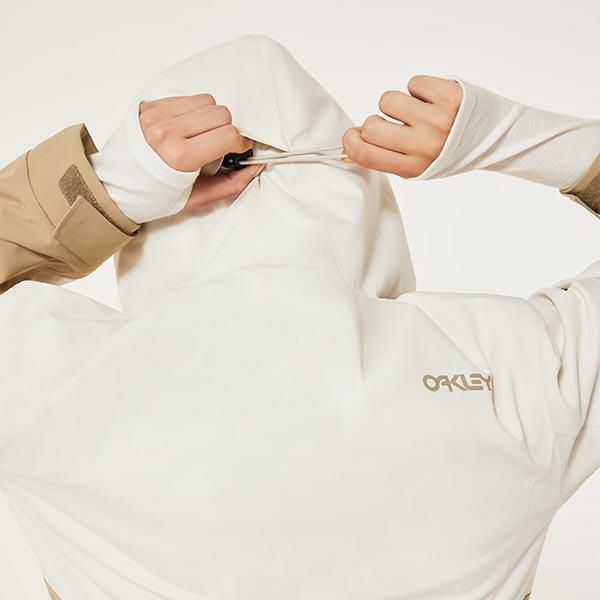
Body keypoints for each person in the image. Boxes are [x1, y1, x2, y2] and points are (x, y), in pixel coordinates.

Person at [0, 35, 598, 600]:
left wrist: (103, 188)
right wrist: (523, 141)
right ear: (372, 208)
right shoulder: (514, 379)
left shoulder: (47, 391)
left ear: (147, 237)